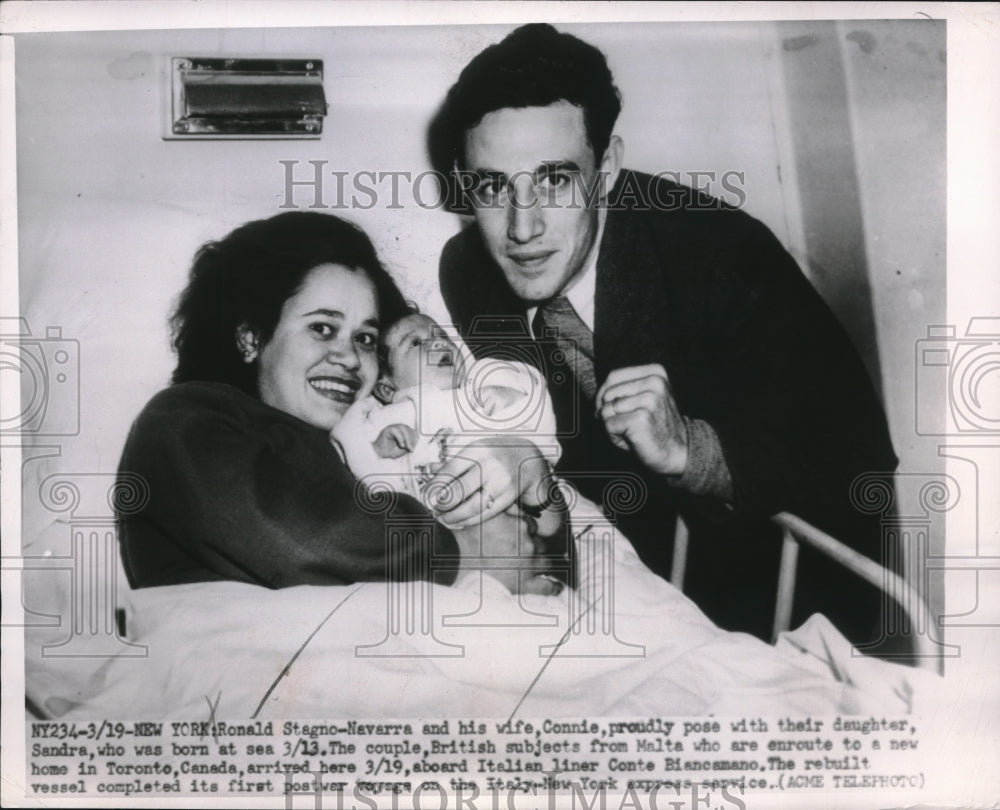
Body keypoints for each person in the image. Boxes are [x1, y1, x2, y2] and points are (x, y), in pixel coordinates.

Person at [431, 24, 899, 645]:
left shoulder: (720, 252)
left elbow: (858, 452)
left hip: (787, 599)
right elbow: (556, 438)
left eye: (554, 180)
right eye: (493, 186)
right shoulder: (468, 274)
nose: (523, 228)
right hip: (624, 580)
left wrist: (694, 451)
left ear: (608, 169)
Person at [116, 211, 556, 592]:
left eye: (364, 338)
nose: (348, 357)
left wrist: (533, 480)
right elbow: (298, 542)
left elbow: (536, 565)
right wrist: (461, 550)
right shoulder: (183, 418)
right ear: (251, 337)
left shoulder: (369, 446)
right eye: (323, 328)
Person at [331, 311, 573, 593]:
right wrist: (379, 449)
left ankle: (545, 586)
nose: (438, 344)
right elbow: (366, 473)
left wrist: (512, 398)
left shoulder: (480, 392)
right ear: (386, 388)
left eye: (442, 336)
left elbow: (540, 427)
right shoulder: (385, 418)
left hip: (517, 515)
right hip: (444, 539)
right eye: (417, 343)